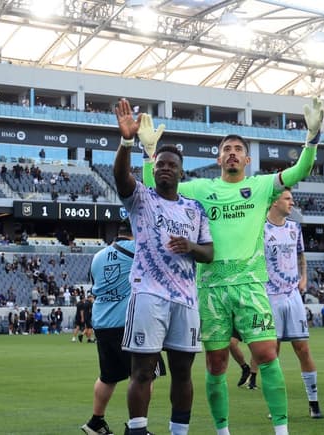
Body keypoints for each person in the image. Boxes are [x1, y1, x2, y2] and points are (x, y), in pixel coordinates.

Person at [140, 97, 324, 435]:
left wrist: (311, 139)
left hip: (251, 285)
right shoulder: (201, 189)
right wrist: (146, 154)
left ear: (247, 158)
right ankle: (222, 431)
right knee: (216, 364)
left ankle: (281, 431)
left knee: (268, 354)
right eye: (227, 149)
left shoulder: (260, 186)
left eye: (238, 148)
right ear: (219, 157)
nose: (233, 153)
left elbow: (301, 171)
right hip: (210, 287)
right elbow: (154, 184)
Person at [114, 98, 214, 435]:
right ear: (153, 169)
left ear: (181, 171)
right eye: (161, 164)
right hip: (148, 294)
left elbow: (209, 254)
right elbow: (121, 177)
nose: (166, 168)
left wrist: (191, 246)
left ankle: (178, 432)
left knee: (184, 371)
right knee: (143, 370)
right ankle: (138, 430)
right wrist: (127, 142)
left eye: (172, 165)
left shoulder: (195, 209)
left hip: (185, 299)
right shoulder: (141, 198)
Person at [81, 224, 167, 435]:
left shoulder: (98, 256)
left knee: (108, 376)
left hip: (102, 322)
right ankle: (136, 427)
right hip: (129, 323)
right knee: (144, 375)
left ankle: (96, 422)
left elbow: (95, 287)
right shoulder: (141, 250)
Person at [264, 188, 323, 418]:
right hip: (270, 296)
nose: (292, 202)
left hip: (292, 295)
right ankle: (275, 405)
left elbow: (300, 255)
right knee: (271, 353)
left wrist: (304, 277)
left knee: (303, 349)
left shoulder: (294, 228)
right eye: (287, 198)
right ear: (274, 201)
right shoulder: (260, 229)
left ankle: (314, 402)